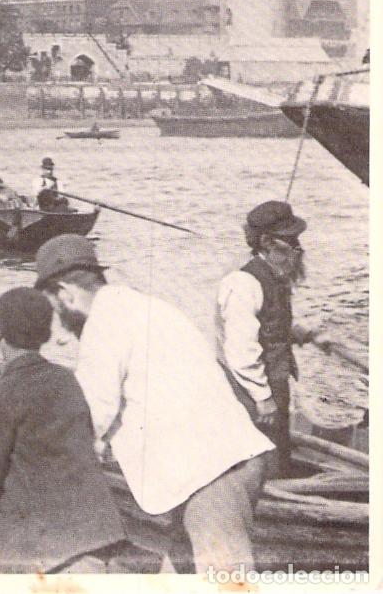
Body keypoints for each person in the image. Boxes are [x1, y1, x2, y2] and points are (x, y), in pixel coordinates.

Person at [35, 234, 273, 574]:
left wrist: (41, 455)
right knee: (177, 574)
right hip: (218, 466)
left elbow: (92, 412)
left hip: (210, 476)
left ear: (65, 293)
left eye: (54, 309)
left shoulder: (103, 323)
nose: (59, 329)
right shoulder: (141, 306)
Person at [0, 288, 127, 574]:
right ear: (45, 336)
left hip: (42, 555)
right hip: (98, 539)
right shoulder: (68, 382)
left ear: (0, 335)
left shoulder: (0, 395)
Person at [217, 200, 321, 477]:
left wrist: (296, 331)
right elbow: (240, 349)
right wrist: (262, 396)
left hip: (274, 380)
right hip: (253, 389)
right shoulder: (243, 284)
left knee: (278, 445)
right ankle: (269, 499)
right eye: (290, 241)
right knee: (263, 454)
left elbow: (269, 323)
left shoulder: (274, 277)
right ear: (266, 242)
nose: (298, 248)